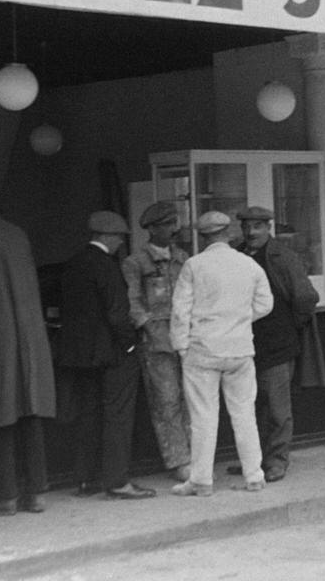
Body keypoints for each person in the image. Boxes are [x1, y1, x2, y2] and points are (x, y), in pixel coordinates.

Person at [169, 211, 272, 497]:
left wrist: (181, 345)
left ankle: (201, 480)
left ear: (202, 237)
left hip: (203, 349)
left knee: (203, 417)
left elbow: (180, 310)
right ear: (229, 233)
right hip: (240, 349)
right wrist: (239, 320)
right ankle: (255, 476)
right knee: (244, 413)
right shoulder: (249, 265)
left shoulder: (193, 265)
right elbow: (266, 304)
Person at [0, 201, 57, 515]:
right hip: (30, 336)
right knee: (30, 413)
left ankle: (5, 496)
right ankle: (36, 492)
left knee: (1, 415)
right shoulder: (18, 234)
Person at [57, 211, 155, 500]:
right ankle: (116, 480)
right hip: (112, 353)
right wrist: (129, 345)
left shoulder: (73, 264)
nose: (120, 244)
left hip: (81, 355)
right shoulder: (107, 266)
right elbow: (117, 314)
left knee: (89, 414)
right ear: (107, 237)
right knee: (118, 417)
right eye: (120, 238)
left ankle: (86, 479)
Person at [230, 206, 319, 483]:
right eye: (246, 227)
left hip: (277, 344)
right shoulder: (235, 254)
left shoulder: (284, 257)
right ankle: (254, 461)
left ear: (268, 228)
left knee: (277, 407)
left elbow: (306, 298)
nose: (251, 232)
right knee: (250, 406)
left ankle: (277, 461)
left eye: (257, 226)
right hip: (244, 343)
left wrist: (289, 326)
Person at [120, 203, 190, 482]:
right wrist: (148, 326)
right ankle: (178, 459)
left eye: (174, 223)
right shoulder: (135, 262)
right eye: (166, 224)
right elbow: (133, 302)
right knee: (167, 400)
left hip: (186, 336)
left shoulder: (182, 258)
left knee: (192, 399)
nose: (173, 229)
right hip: (157, 341)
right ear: (151, 229)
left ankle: (197, 455)